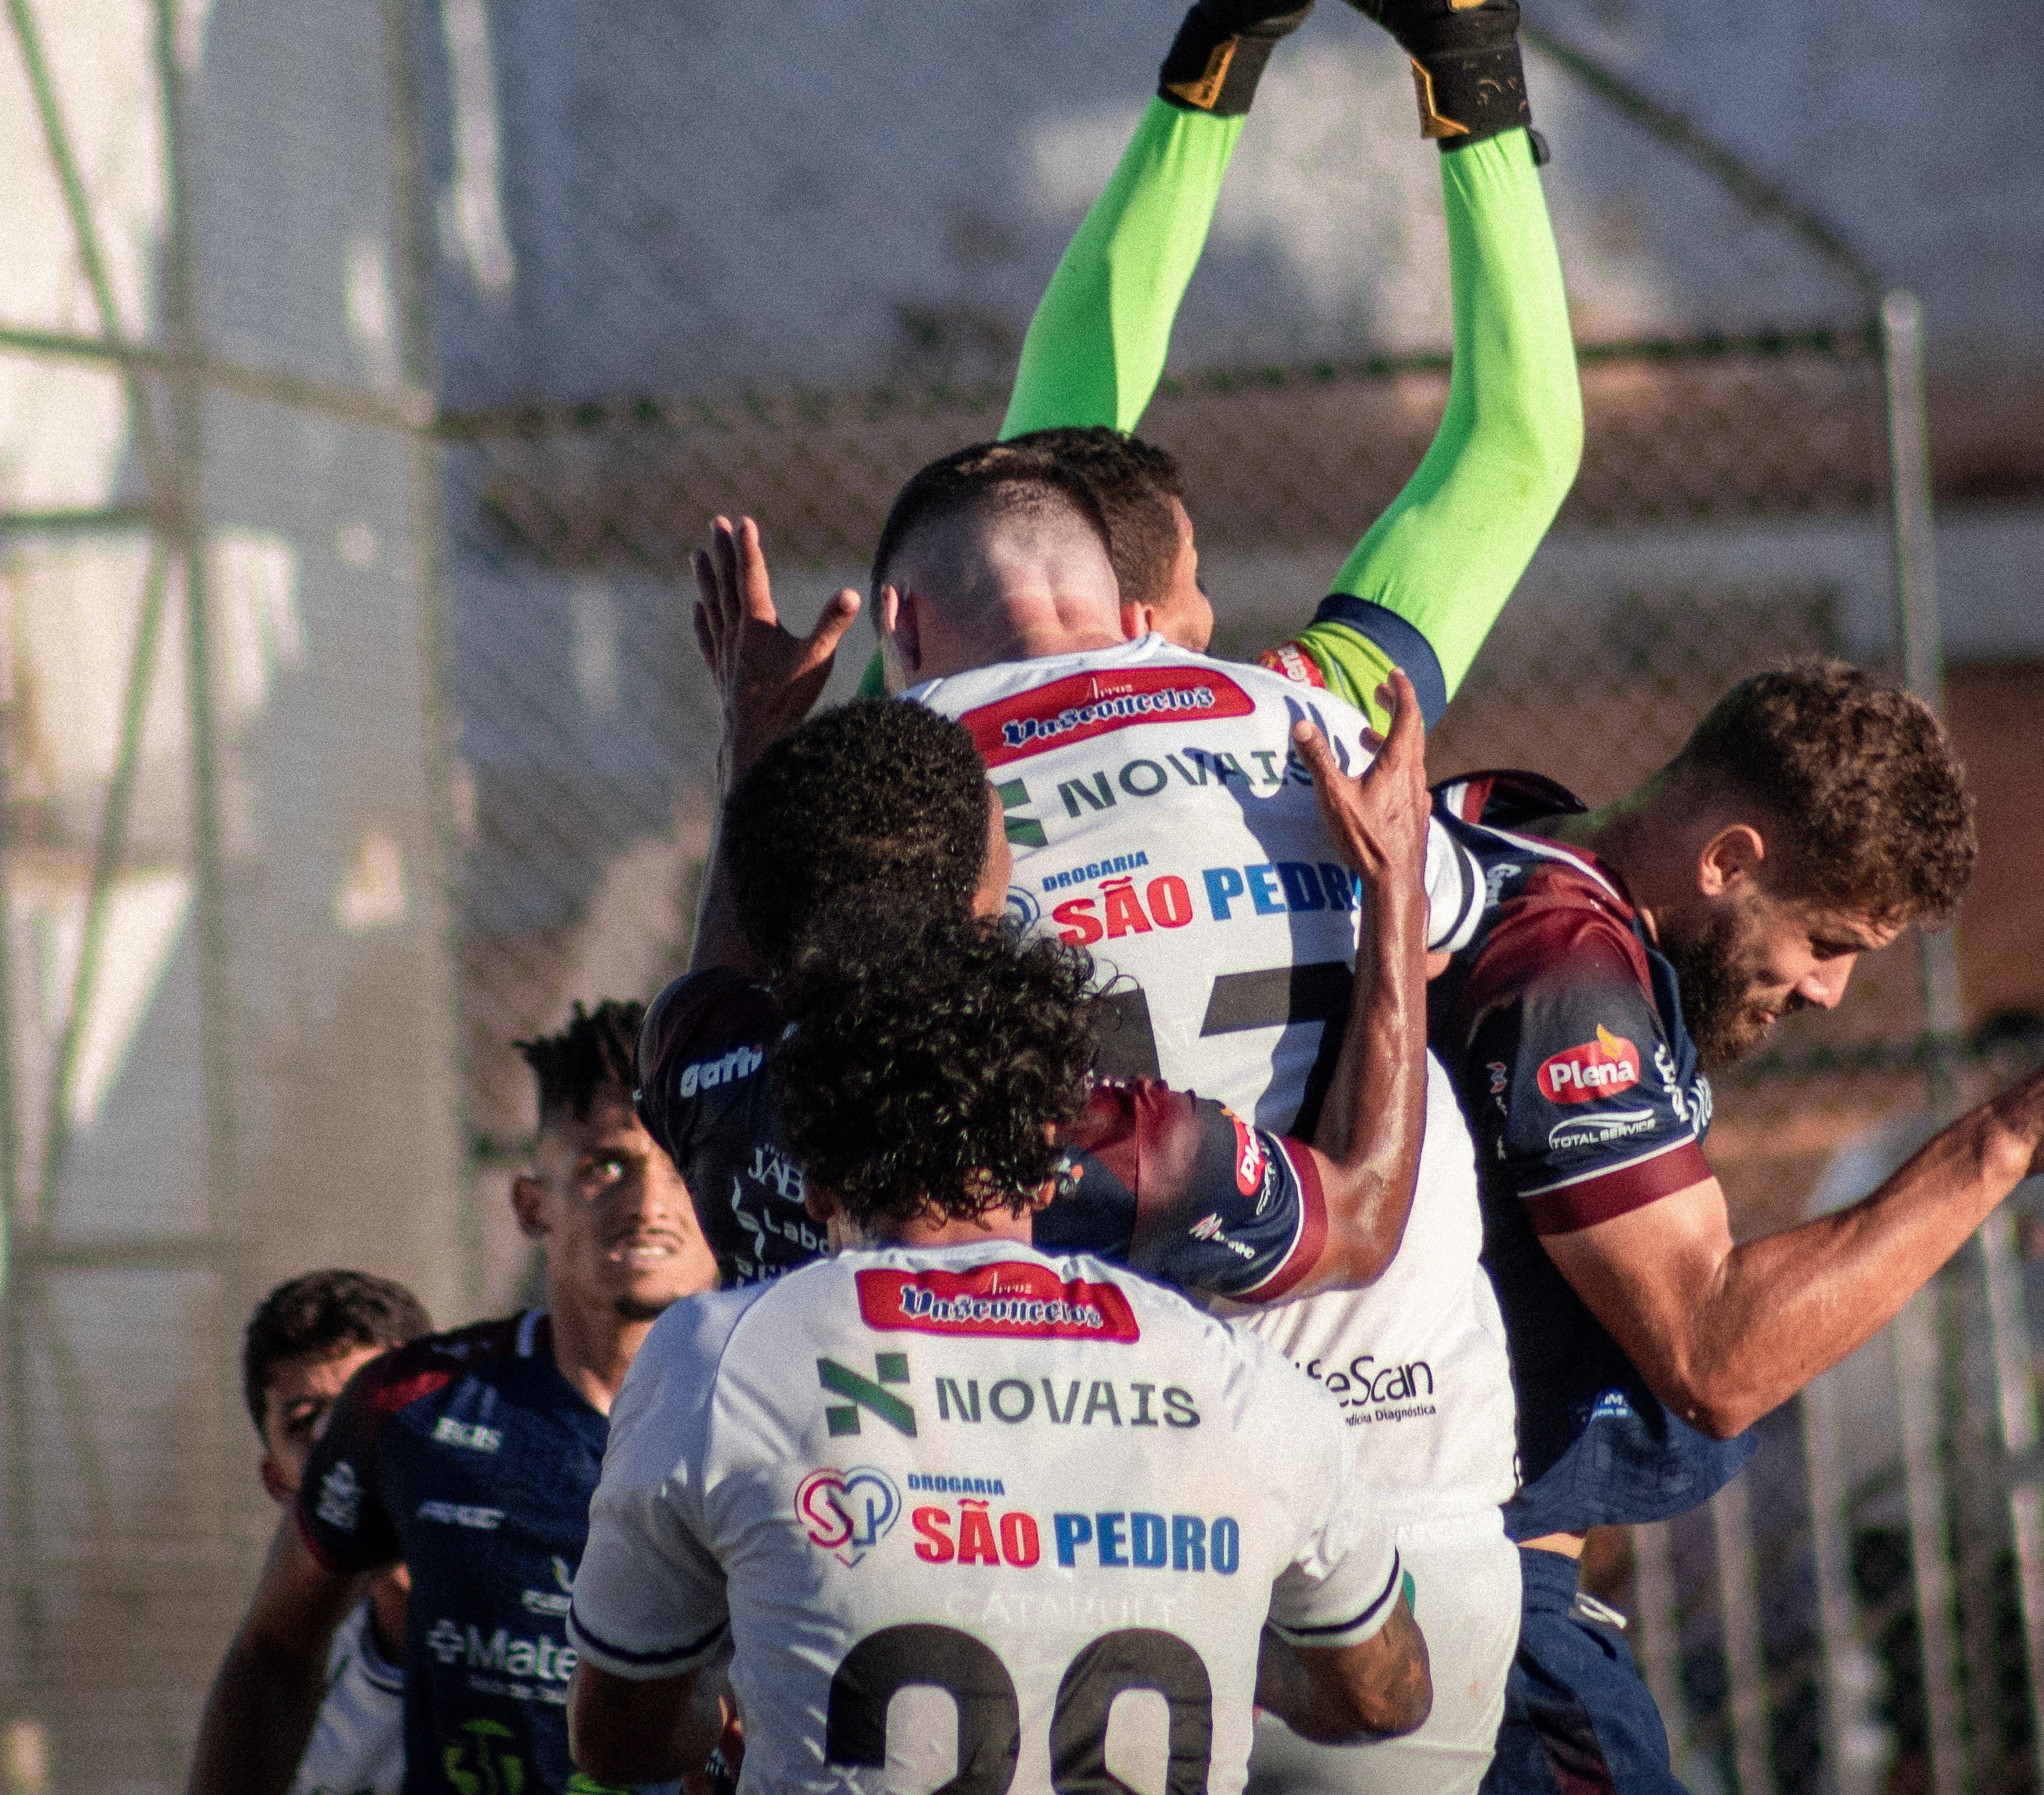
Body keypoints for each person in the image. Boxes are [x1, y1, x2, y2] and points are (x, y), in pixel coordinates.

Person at [757, 445, 1516, 1795]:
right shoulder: (1297, 716)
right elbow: (1446, 936)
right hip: (1408, 1488)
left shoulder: (914, 799)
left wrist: (747, 752)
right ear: (1132, 601)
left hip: (1092, 1532)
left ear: (898, 623)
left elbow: (742, 1043)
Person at [1416, 664, 2044, 1795]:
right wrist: (2001, 1142)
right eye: (1828, 938)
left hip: (1419, 1590)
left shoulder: (1493, 824)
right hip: (1479, 1624)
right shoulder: (1567, 965)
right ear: (1729, 859)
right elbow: (1715, 1352)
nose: (1833, 991)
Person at [791, 0, 1581, 744]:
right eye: (1195, 579)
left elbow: (1033, 491)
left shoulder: (898, 752)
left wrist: (1229, 36)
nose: (1209, 617)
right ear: (1143, 629)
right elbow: (1524, 443)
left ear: (901, 629)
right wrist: (1468, 49)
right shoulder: (1288, 731)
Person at [564, 908, 1434, 1795]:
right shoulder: (1246, 1388)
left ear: (816, 1180)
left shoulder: (716, 1359)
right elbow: (1388, 1695)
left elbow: (616, 1743)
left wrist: (740, 1699)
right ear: (1055, 1173)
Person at [649, 571, 1434, 1308]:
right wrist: (1395, 878)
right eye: (1005, 832)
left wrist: (752, 739)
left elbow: (722, 967)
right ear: (976, 907)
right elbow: (1363, 1220)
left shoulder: (699, 1064)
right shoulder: (1110, 1151)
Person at [189, 1005, 717, 1795]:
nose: (647, 1203)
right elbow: (273, 1652)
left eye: (677, 1165)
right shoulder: (412, 1405)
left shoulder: (787, 1397)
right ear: (533, 1204)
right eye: (605, 1167)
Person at [240, 1269, 439, 1795]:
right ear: (278, 1480)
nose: (341, 1447)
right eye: (305, 1423)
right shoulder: (275, 1680)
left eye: (368, 1407)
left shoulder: (572, 1612)